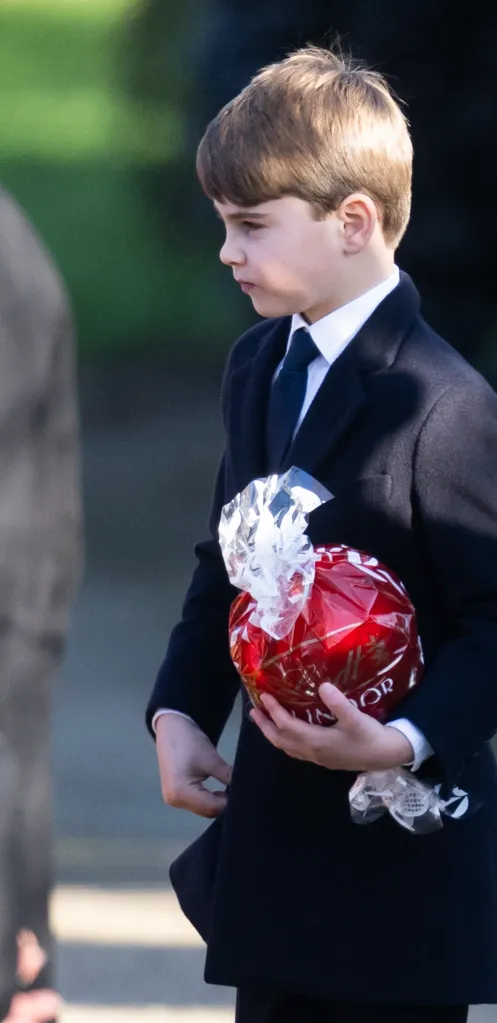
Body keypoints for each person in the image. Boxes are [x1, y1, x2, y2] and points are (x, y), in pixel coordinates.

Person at [146, 46, 497, 1023]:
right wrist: (179, 713)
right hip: (275, 851)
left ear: (353, 222)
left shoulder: (441, 403)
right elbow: (229, 562)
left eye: (249, 226)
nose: (226, 252)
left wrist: (404, 740)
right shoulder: (256, 365)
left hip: (398, 873)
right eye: (221, 225)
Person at [0, 186, 83, 1021]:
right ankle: (29, 964)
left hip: (13, 564)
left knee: (8, 765)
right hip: (28, 555)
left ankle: (22, 967)